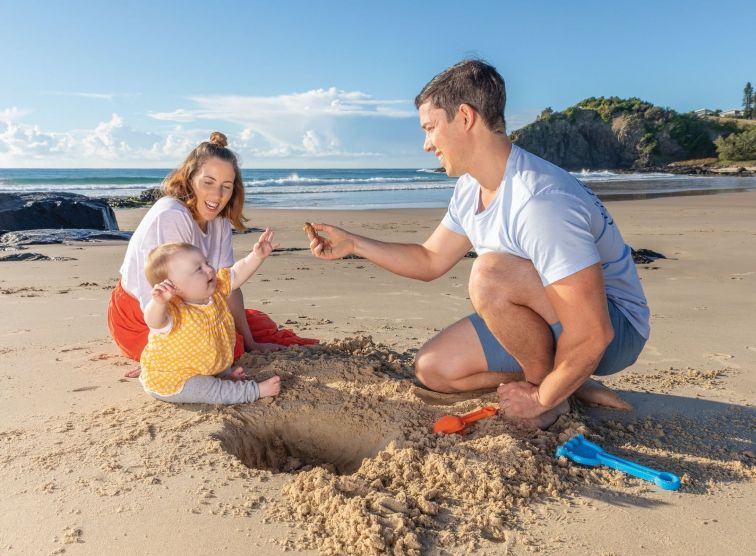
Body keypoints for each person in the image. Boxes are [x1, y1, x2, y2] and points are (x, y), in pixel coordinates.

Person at [305, 60, 649, 428]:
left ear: (465, 117)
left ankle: (549, 391)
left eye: (430, 128)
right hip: (554, 314)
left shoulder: (539, 200)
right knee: (435, 368)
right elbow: (430, 259)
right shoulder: (471, 186)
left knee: (489, 273)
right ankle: (568, 381)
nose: (426, 144)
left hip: (615, 327)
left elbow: (594, 332)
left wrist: (540, 397)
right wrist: (354, 244)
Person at [108, 132, 317, 375]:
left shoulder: (219, 221)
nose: (217, 196)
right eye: (208, 183)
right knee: (219, 349)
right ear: (190, 178)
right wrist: (157, 355)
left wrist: (252, 343)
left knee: (256, 327)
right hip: (147, 312)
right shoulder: (171, 216)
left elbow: (227, 284)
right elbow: (156, 294)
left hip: (194, 303)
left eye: (225, 187)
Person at [139, 239, 281, 404]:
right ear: (174, 287)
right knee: (208, 389)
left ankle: (221, 378)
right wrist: (158, 303)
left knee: (217, 373)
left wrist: (256, 256)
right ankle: (254, 391)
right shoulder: (174, 311)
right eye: (198, 269)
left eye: (206, 262)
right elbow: (153, 322)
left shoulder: (215, 290)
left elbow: (236, 273)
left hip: (204, 366)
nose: (209, 269)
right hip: (175, 378)